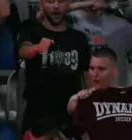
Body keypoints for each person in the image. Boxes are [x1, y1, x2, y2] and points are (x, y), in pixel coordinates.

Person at [17, 0, 91, 131]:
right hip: (37, 118)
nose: (56, 6)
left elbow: (87, 79)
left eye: (61, 1)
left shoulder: (79, 38)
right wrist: (37, 48)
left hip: (70, 117)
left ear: (68, 5)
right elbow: (23, 51)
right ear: (41, 5)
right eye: (50, 1)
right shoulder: (31, 31)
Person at [69, 0, 132, 88]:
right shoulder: (69, 21)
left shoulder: (121, 26)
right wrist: (80, 5)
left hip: (115, 96)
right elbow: (51, 12)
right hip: (81, 95)